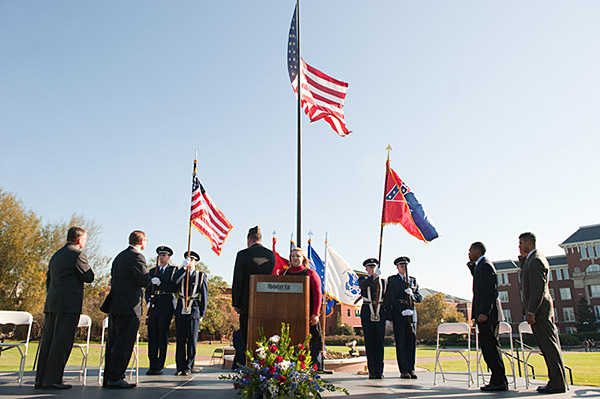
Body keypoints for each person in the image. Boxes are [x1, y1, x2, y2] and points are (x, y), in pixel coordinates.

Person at [35, 226, 95, 390]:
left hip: (53, 303)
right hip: (68, 305)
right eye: (85, 239)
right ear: (79, 239)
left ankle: (40, 379)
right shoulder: (77, 255)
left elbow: (49, 280)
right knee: (61, 343)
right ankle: (53, 379)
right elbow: (88, 277)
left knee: (47, 342)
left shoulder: (56, 255)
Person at [519, 232, 566, 394]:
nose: (519, 247)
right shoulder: (533, 260)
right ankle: (555, 380)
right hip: (540, 311)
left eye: (521, 243)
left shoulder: (536, 260)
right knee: (547, 348)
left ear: (528, 243)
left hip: (540, 312)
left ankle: (557, 383)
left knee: (549, 347)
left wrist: (531, 311)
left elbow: (538, 289)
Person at [102, 230, 151, 389]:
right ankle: (116, 376)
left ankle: (109, 376)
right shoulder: (137, 257)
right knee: (124, 343)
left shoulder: (119, 257)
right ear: (142, 241)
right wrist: (151, 279)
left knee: (113, 342)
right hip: (129, 307)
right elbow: (144, 280)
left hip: (116, 305)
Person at [231, 226, 275, 367]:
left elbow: (238, 280)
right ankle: (262, 367)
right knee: (263, 337)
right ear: (260, 238)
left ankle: (248, 368)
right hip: (265, 304)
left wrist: (236, 303)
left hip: (246, 304)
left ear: (249, 239)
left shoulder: (242, 255)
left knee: (246, 338)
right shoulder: (270, 255)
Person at [468, 242, 508, 391]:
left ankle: (499, 381)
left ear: (478, 251)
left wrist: (484, 312)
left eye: (470, 250)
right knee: (488, 348)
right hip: (484, 314)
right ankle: (498, 379)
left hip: (488, 316)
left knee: (491, 348)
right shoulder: (480, 265)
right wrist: (472, 265)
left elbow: (490, 291)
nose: (469, 253)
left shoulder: (485, 265)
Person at [283, 247, 323, 368]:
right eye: (293, 256)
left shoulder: (310, 273)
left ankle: (314, 366)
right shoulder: (284, 274)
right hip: (290, 315)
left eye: (298, 256)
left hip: (309, 314)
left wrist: (315, 314)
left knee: (314, 339)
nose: (295, 258)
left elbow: (317, 294)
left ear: (303, 258)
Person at [384, 256, 422, 379]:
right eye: (401, 266)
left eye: (405, 266)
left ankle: (412, 369)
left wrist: (412, 294)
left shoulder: (412, 280)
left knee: (411, 342)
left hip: (411, 314)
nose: (404, 268)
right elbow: (390, 298)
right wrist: (400, 311)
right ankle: (404, 370)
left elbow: (419, 297)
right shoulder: (393, 280)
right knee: (401, 342)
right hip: (400, 313)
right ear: (397, 267)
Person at [172, 250, 208, 376]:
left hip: (194, 310)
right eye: (188, 259)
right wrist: (182, 269)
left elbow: (204, 295)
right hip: (181, 309)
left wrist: (202, 313)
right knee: (180, 340)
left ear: (195, 262)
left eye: (191, 260)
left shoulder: (201, 276)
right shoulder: (180, 273)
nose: (189, 262)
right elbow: (174, 284)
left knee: (191, 341)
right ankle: (180, 366)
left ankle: (189, 366)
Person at [144, 245, 177, 375]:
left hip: (166, 304)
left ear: (168, 257)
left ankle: (159, 365)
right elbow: (147, 288)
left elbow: (174, 287)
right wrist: (148, 302)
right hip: (154, 305)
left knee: (162, 336)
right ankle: (152, 364)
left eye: (164, 255)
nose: (161, 257)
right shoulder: (152, 271)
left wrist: (161, 284)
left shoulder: (173, 271)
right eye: (160, 255)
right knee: (152, 336)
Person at [358, 258, 387, 380]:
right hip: (367, 310)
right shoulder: (363, 279)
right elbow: (363, 285)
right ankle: (372, 371)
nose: (372, 269)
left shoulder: (383, 281)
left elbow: (387, 297)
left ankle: (379, 371)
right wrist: (373, 277)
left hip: (380, 310)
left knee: (379, 342)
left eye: (374, 267)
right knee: (369, 342)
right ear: (366, 269)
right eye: (369, 268)